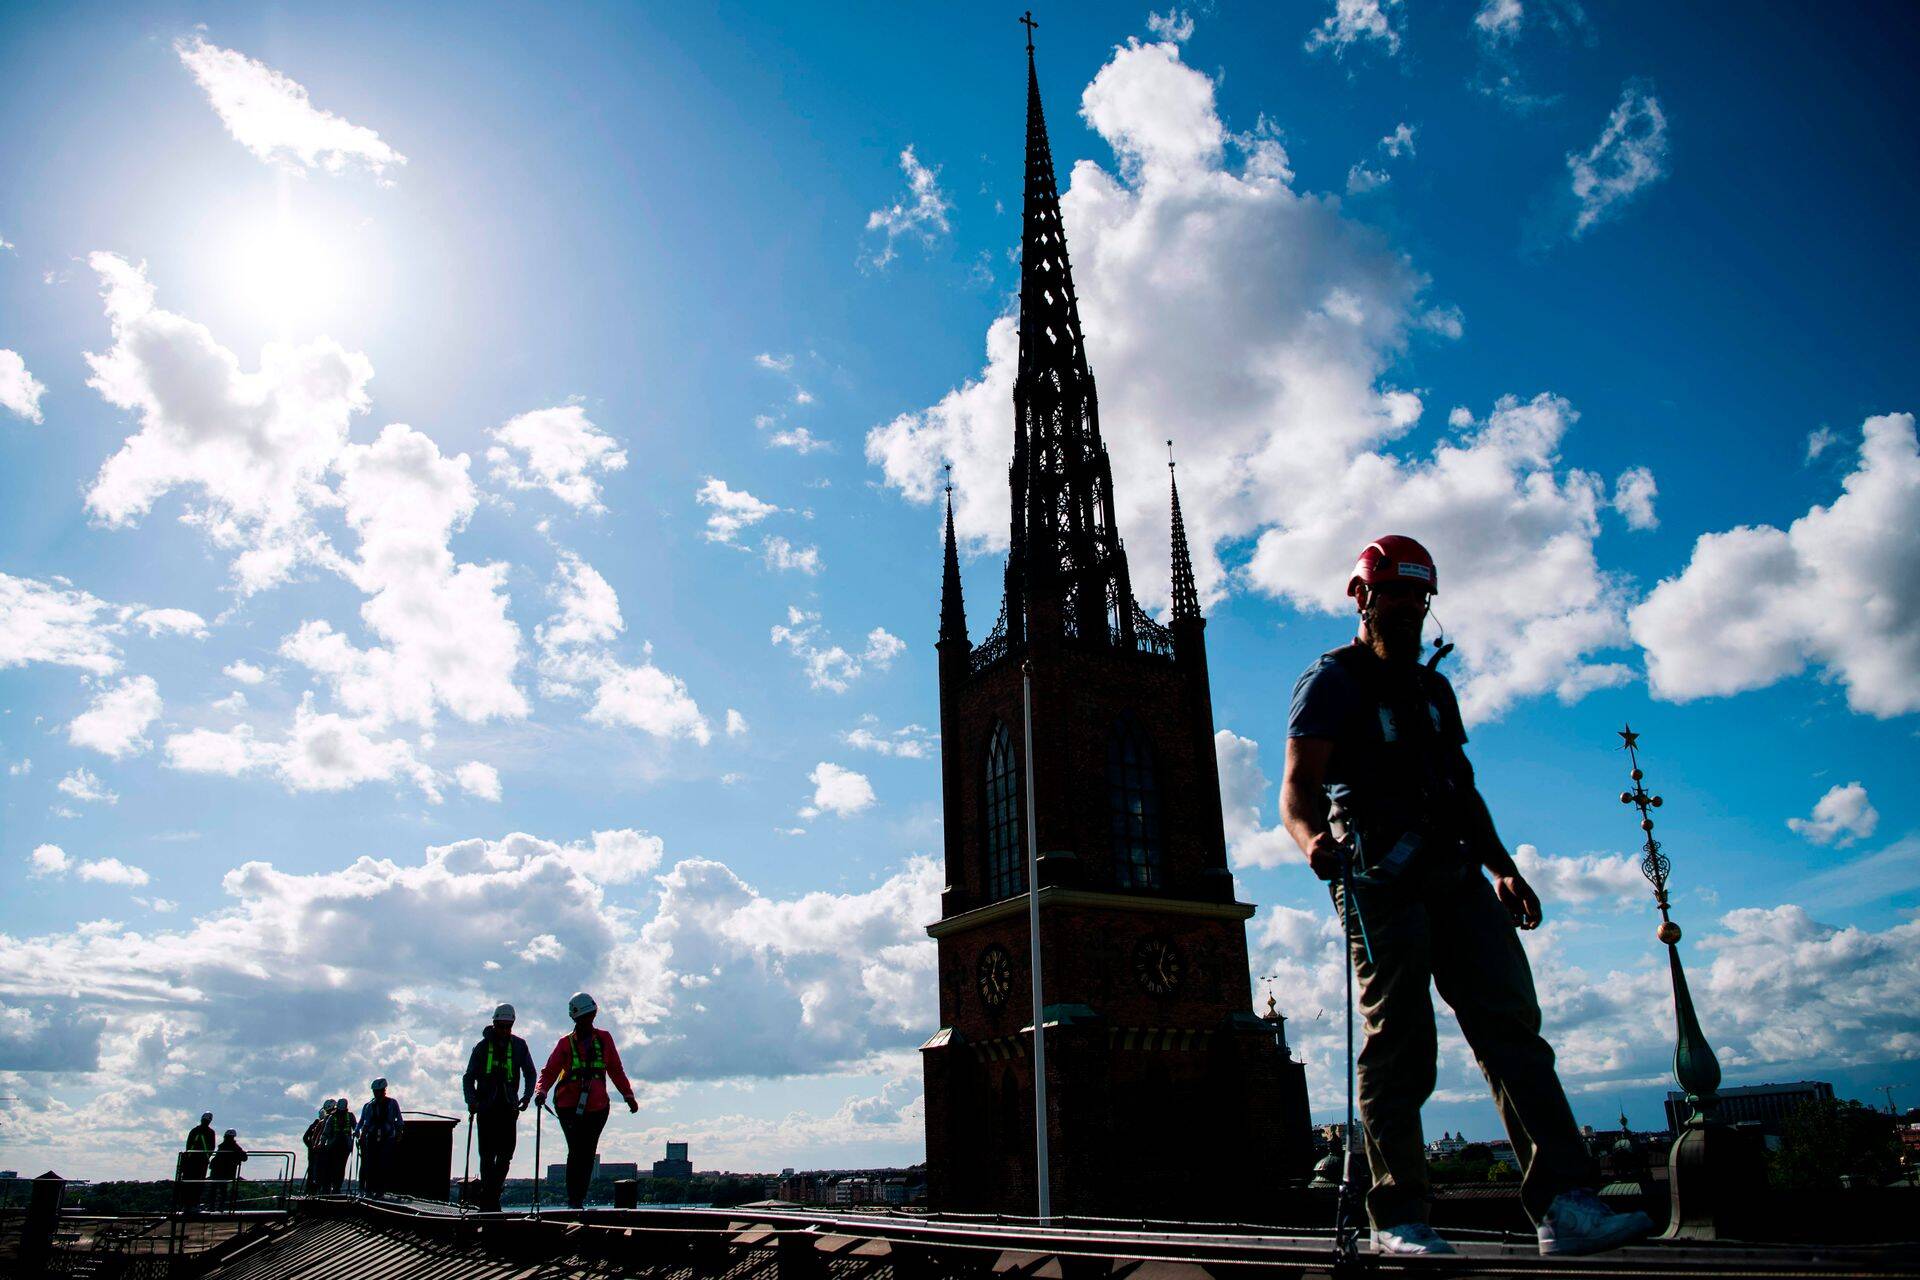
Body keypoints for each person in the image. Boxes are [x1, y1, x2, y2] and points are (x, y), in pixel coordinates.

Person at [1281, 535, 1654, 1259]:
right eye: (1395, 593)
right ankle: (1398, 1217)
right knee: (1399, 1043)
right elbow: (1298, 785)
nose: (1409, 608)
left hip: (1456, 872)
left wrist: (1503, 867)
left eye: (1420, 597)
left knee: (1511, 1027)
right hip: (1380, 880)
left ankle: (1565, 1206)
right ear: (1362, 596)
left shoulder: (1433, 691)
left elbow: (1461, 787)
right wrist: (1309, 841)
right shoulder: (1331, 681)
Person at [533, 992, 638, 1209]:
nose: (587, 1022)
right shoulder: (565, 1044)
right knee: (576, 1150)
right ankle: (575, 1200)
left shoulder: (604, 1039)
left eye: (590, 1016)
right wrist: (541, 1091)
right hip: (568, 1106)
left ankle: (578, 1198)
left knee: (587, 1152)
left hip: (597, 1107)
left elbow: (615, 1069)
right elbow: (550, 1071)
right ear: (575, 1018)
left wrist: (628, 1095)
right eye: (583, 1018)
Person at [462, 1002, 536, 1211]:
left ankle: (491, 1195)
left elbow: (530, 1073)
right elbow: (468, 1077)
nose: (504, 1030)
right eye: (501, 1026)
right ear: (494, 1024)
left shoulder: (519, 1046)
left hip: (508, 1108)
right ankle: (490, 1200)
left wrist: (527, 1097)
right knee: (487, 1156)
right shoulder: (482, 1047)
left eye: (508, 1026)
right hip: (486, 1109)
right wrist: (472, 1101)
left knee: (505, 1155)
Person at [356, 1078, 405, 1198]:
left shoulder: (392, 1103)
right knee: (370, 1163)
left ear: (383, 1090)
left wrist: (399, 1132)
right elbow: (366, 1122)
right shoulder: (370, 1106)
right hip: (372, 1137)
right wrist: (362, 1135)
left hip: (387, 1137)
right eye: (374, 1091)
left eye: (378, 1091)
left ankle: (380, 1190)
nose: (376, 1094)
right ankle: (368, 1190)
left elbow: (399, 1119)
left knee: (383, 1164)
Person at [178, 1111, 216, 1208]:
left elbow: (188, 1146)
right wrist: (206, 1156)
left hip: (191, 1161)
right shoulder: (210, 1132)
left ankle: (186, 1204)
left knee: (189, 1183)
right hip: (202, 1162)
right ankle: (194, 1203)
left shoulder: (194, 1131)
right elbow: (212, 1148)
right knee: (198, 1183)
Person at [208, 1129, 248, 1210]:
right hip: (225, 1172)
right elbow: (244, 1157)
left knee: (214, 1189)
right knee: (221, 1190)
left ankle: (213, 1206)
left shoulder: (225, 1146)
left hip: (219, 1171)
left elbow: (244, 1157)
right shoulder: (234, 1147)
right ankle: (219, 1206)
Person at [322, 1097, 354, 1193]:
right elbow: (326, 1131)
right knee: (330, 1167)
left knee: (341, 1167)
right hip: (333, 1146)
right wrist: (322, 1142)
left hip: (344, 1146)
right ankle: (328, 1187)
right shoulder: (332, 1117)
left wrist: (358, 1135)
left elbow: (355, 1127)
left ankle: (336, 1187)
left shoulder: (350, 1116)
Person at [302, 1102, 331, 1194]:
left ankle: (314, 1190)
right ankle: (311, 1190)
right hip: (314, 1152)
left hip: (318, 1151)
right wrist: (311, 1146)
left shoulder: (322, 1124)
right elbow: (305, 1137)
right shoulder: (316, 1124)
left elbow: (305, 1138)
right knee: (313, 1171)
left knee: (316, 1171)